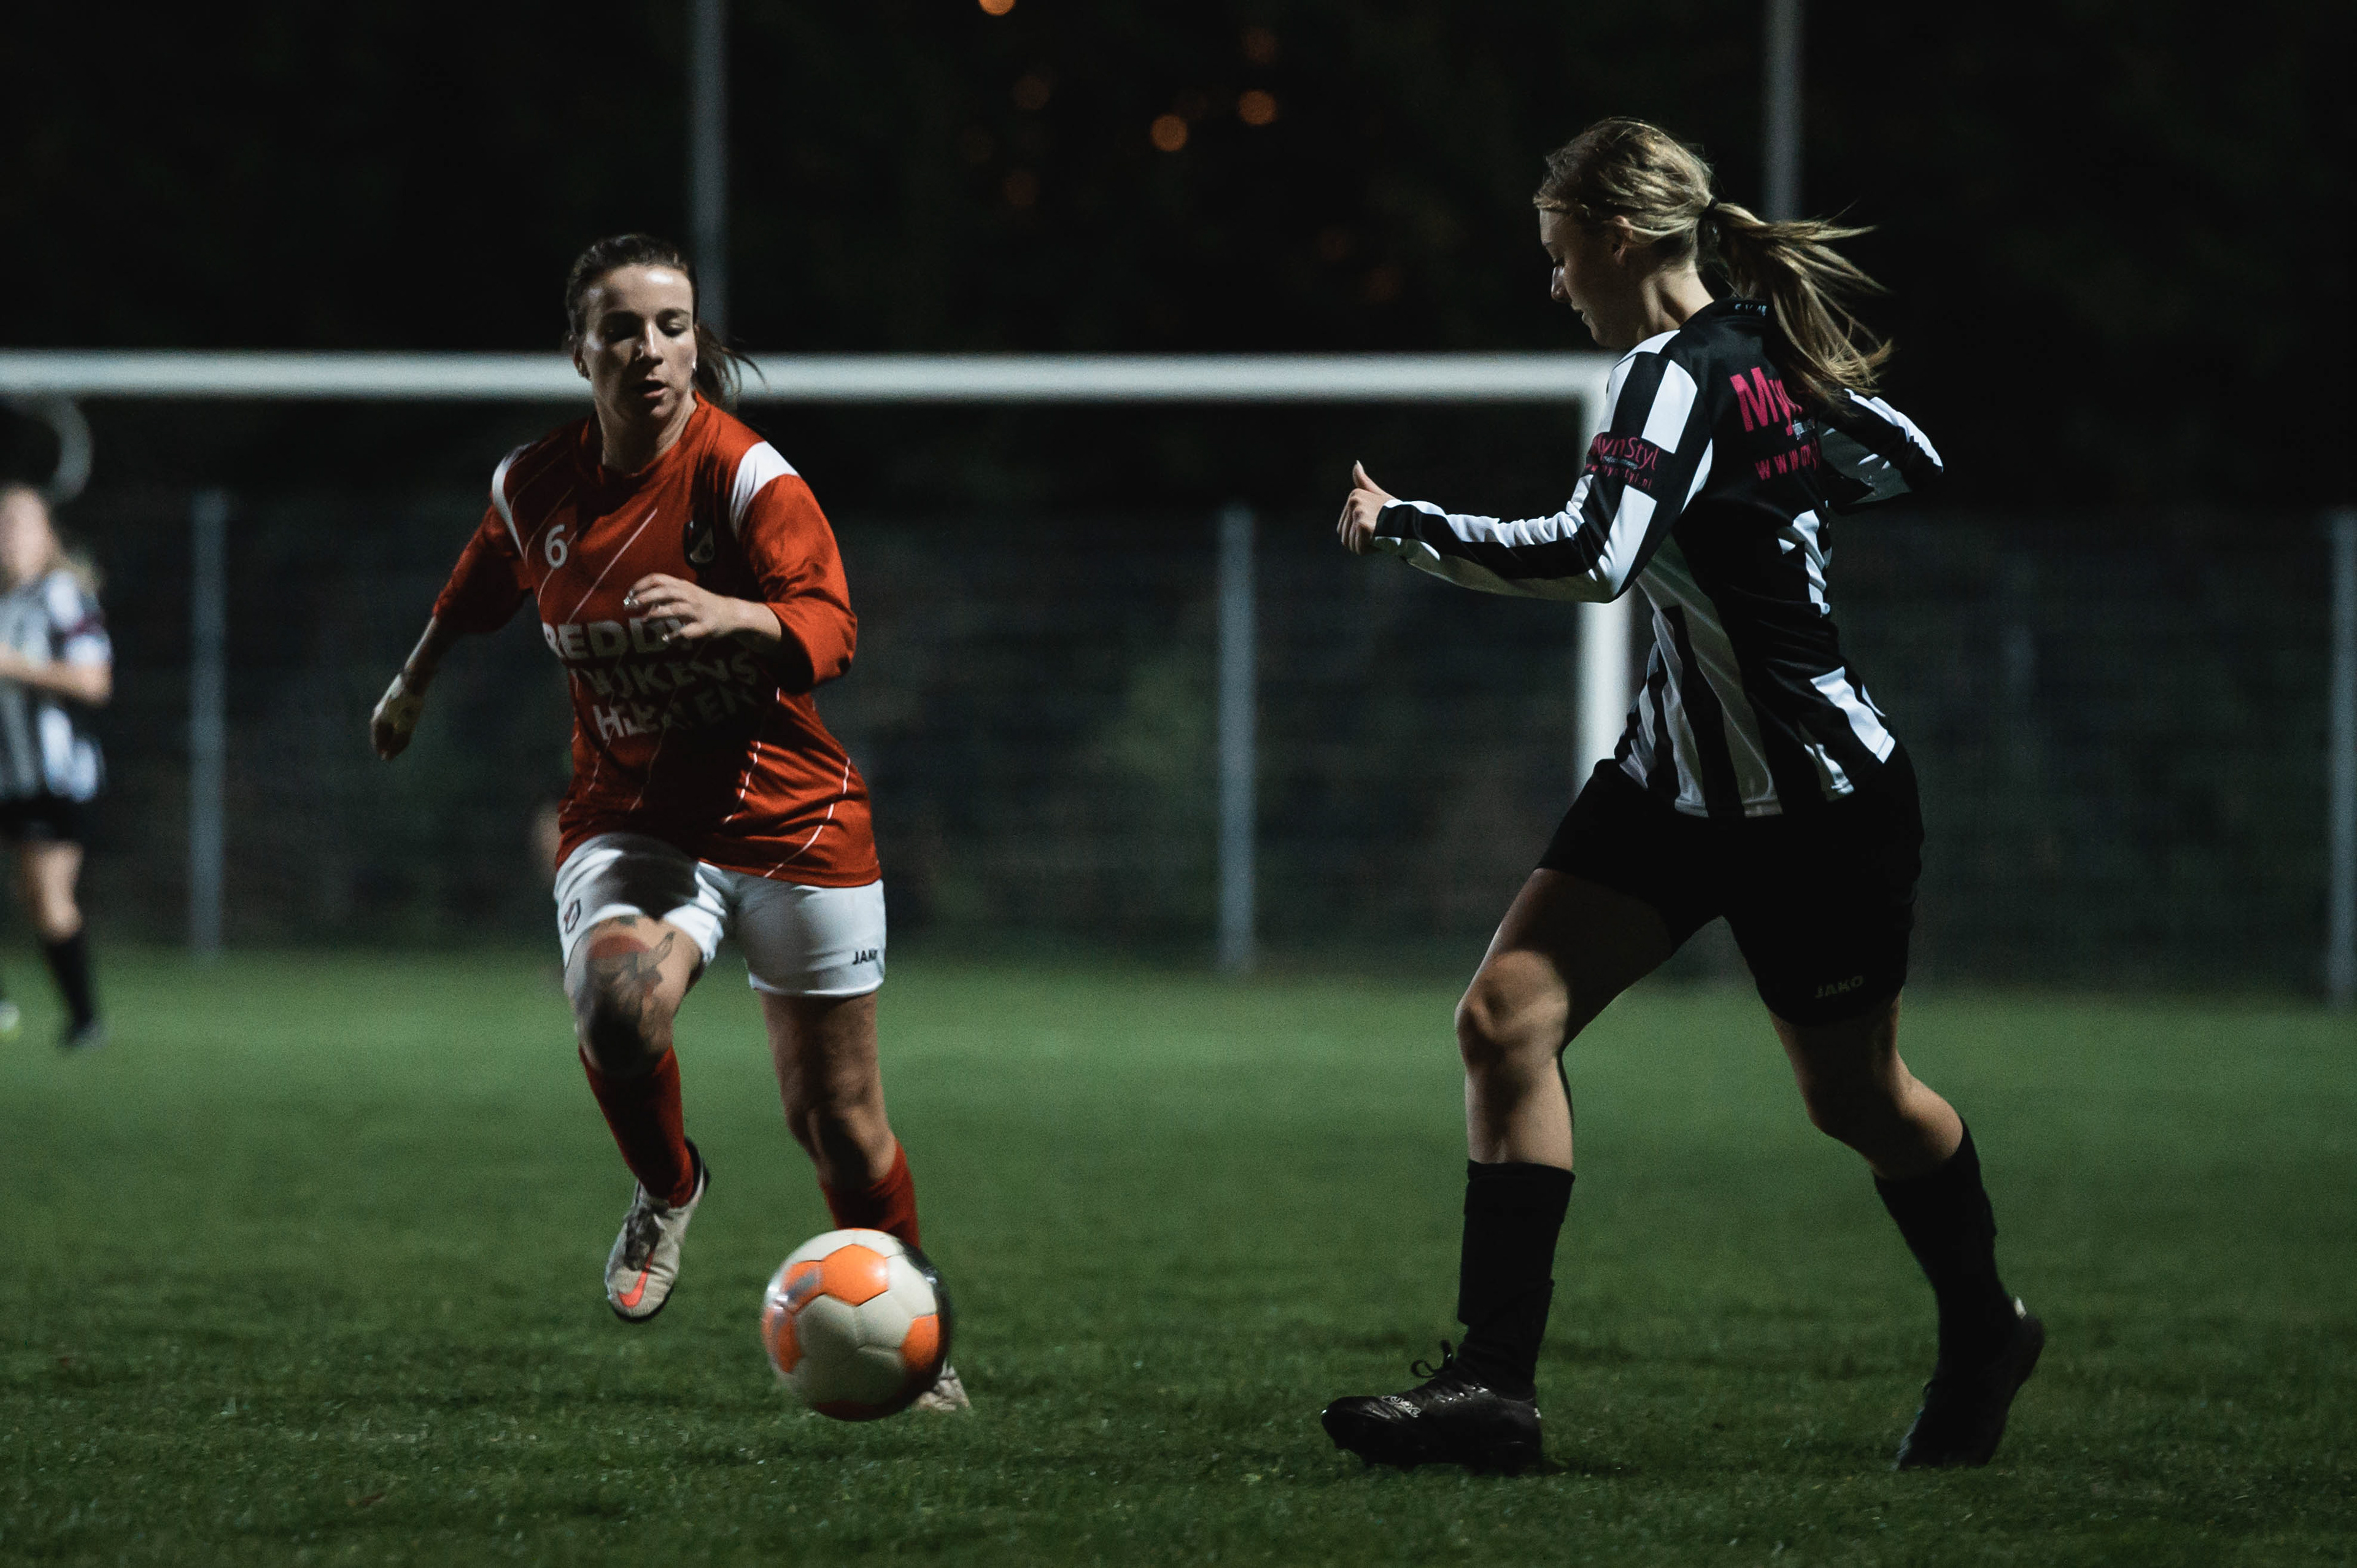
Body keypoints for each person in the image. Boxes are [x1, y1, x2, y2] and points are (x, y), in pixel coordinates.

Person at [1318, 119, 2037, 1473]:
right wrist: (1778, 461)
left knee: (1859, 1100)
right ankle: (1492, 1389)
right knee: (1504, 1017)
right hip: (1671, 790)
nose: (1554, 284)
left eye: (1559, 254)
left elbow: (1596, 555)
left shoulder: (1676, 371)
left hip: (1819, 808)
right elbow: (1907, 459)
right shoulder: (1747, 360)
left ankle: (1985, 1330)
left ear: (1619, 237)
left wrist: (1405, 523)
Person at [371, 235, 964, 1411]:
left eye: (672, 326)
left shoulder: (746, 480)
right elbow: (477, 584)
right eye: (623, 328)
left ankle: (921, 1343)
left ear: (697, 343)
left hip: (792, 817)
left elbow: (833, 628)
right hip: (635, 818)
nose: (650, 349)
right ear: (578, 351)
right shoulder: (535, 486)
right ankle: (669, 1186)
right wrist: (412, 683)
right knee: (613, 1001)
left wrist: (735, 615)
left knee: (840, 1128)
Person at [0, 484, 111, 1051]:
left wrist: (14, 665)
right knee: (34, 898)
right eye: (2, 522)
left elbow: (94, 681)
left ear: (47, 536)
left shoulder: (62, 595)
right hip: (10, 775)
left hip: (58, 775)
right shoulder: (5, 602)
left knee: (48, 898)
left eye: (19, 522)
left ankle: (87, 1020)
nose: (7, 533)